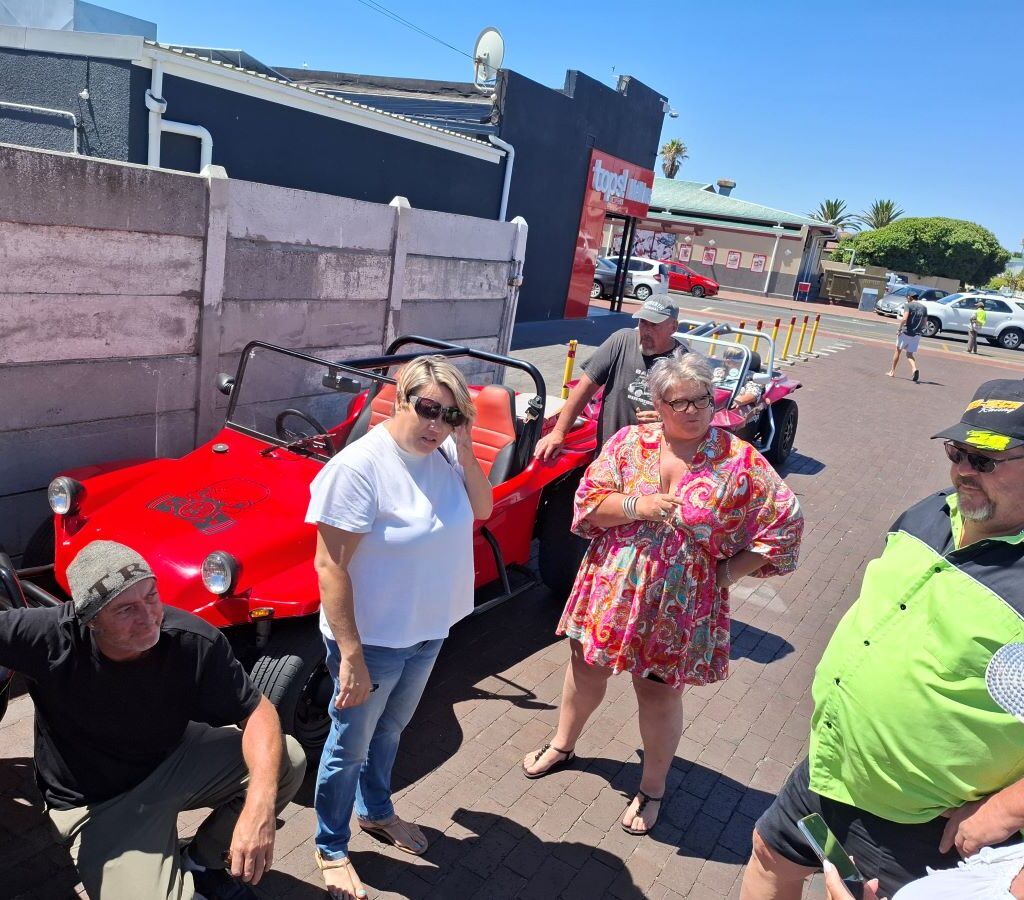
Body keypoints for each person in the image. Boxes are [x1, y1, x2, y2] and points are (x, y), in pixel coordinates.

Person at [741, 378, 1024, 899]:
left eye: (983, 460)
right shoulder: (929, 512)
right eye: (956, 451)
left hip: (924, 820)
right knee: (769, 854)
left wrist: (1008, 809)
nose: (962, 469)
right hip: (833, 767)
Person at [521, 351, 803, 835]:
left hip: (679, 603)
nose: (693, 410)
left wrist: (729, 573)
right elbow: (589, 503)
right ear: (658, 403)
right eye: (680, 402)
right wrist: (640, 504)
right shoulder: (631, 443)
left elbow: (786, 521)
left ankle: (653, 787)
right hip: (611, 586)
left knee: (656, 693)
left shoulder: (738, 460)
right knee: (585, 668)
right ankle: (563, 744)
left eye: (701, 399)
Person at [0, 539, 306, 900]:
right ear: (90, 618)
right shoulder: (49, 636)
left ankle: (203, 861)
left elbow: (258, 712)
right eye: (125, 609)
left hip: (171, 760)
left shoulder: (192, 640)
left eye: (151, 596)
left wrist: (259, 808)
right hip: (97, 800)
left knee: (286, 759)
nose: (149, 618)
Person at [306, 355, 493, 900]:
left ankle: (377, 811)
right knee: (350, 743)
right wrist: (350, 655)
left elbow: (481, 508)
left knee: (390, 730)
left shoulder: (446, 457)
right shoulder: (359, 468)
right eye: (428, 409)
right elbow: (329, 567)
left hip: (429, 628)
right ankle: (330, 845)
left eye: (451, 415)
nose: (436, 424)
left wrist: (466, 448)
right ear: (401, 399)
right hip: (373, 639)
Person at [534, 297, 687, 459]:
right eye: (643, 322)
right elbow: (585, 388)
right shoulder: (621, 341)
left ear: (673, 327)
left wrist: (666, 417)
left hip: (653, 462)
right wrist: (559, 432)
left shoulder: (683, 361)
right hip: (608, 455)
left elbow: (695, 416)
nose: (646, 330)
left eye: (654, 325)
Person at [887, 291, 926, 381]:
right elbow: (924, 322)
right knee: (909, 354)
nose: (907, 299)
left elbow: (904, 318)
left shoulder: (908, 306)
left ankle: (892, 371)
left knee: (898, 351)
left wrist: (899, 329)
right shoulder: (924, 308)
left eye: (907, 298)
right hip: (916, 334)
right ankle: (914, 369)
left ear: (910, 297)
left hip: (906, 332)